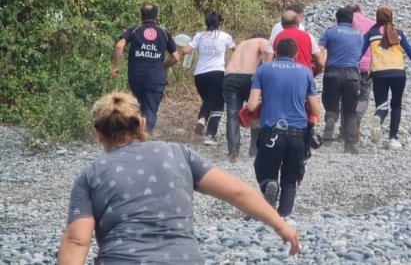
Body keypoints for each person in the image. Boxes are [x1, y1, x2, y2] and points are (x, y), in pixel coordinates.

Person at [57, 92, 299, 265]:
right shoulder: (178, 154)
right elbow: (237, 192)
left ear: (98, 134)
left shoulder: (91, 175)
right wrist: (280, 224)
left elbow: (77, 241)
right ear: (142, 124)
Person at [247, 37, 321, 218]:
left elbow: (251, 105)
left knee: (264, 169)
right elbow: (315, 109)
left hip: (271, 132)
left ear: (276, 53)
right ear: (296, 55)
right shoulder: (305, 72)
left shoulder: (263, 70)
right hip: (298, 133)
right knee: (291, 179)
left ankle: (268, 184)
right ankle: (284, 216)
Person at [361, 6, 411, 150]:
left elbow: (359, 53)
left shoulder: (371, 34)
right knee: (396, 104)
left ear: (377, 17)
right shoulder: (398, 33)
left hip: (379, 73)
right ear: (391, 17)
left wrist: (354, 68)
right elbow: (410, 52)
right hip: (398, 73)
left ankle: (378, 117)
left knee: (382, 105)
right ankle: (393, 139)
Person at [111, 2, 179, 133]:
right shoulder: (165, 33)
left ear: (141, 16)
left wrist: (116, 66)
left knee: (139, 108)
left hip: (136, 78)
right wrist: (162, 67)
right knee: (150, 110)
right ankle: (143, 136)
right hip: (155, 79)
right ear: (157, 16)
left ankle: (135, 134)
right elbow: (175, 57)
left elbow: (119, 46)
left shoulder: (134, 30)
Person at [181, 10, 235, 145]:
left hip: (200, 75)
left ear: (206, 22)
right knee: (218, 103)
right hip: (217, 73)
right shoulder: (225, 37)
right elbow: (237, 50)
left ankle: (201, 120)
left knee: (207, 100)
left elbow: (186, 50)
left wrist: (185, 45)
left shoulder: (199, 36)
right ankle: (210, 135)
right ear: (219, 23)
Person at [318, 7, 363, 153]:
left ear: (337, 19)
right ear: (352, 20)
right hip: (352, 74)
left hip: (332, 73)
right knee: (350, 110)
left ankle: (331, 118)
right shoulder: (359, 35)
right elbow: (359, 55)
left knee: (331, 104)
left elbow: (319, 51)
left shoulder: (329, 32)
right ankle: (349, 144)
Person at [223, 32, 269, 163]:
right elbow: (268, 56)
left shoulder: (242, 44)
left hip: (229, 78)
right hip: (248, 78)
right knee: (254, 110)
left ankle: (233, 150)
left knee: (232, 114)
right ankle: (254, 149)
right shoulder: (261, 41)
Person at [266, 10, 324, 75]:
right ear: (298, 22)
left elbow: (268, 63)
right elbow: (320, 62)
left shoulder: (274, 38)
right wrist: (312, 74)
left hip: (281, 76)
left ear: (282, 24)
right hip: (303, 76)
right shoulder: (308, 37)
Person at [348, 3, 374, 136]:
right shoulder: (372, 23)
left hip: (349, 65)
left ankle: (346, 129)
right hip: (367, 66)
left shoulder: (345, 23)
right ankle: (356, 119)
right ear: (360, 11)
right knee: (364, 97)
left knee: (348, 96)